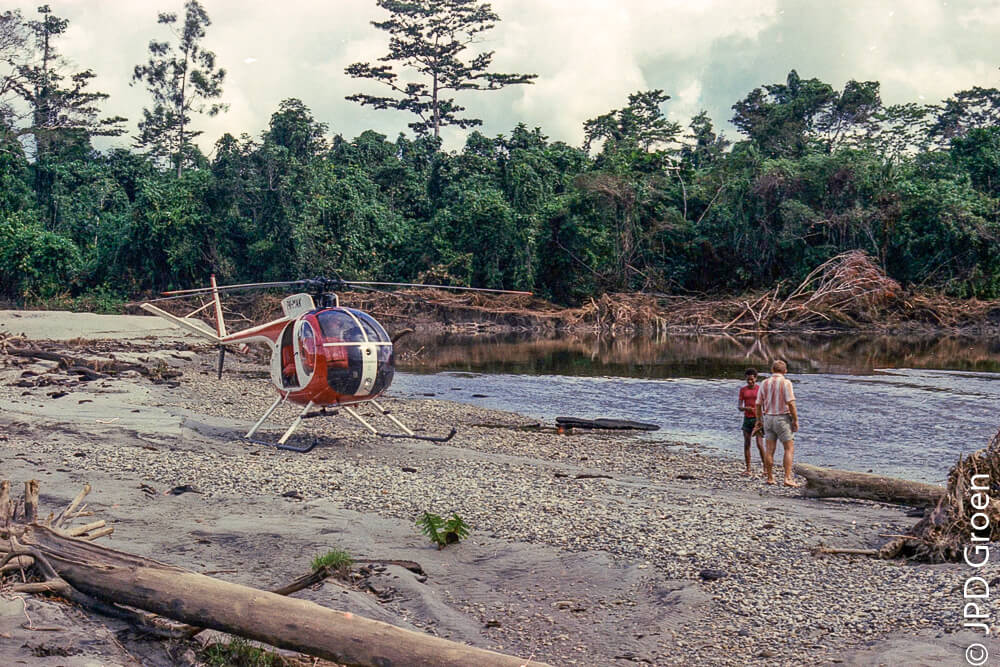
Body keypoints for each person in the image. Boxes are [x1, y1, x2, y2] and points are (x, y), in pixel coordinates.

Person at [753, 359, 801, 487]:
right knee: (789, 448)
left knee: (769, 449)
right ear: (785, 371)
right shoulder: (786, 383)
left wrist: (759, 420)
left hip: (768, 417)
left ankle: (770, 477)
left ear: (772, 370)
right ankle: (787, 478)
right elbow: (791, 403)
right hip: (782, 418)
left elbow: (758, 404)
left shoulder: (764, 383)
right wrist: (795, 420)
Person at [738, 368, 765, 476]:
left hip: (758, 419)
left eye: (752, 380)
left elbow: (765, 404)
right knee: (747, 443)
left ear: (756, 378)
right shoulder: (743, 390)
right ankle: (748, 468)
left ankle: (765, 468)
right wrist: (746, 409)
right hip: (747, 419)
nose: (750, 382)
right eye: (748, 380)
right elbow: (739, 407)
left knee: (759, 444)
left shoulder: (760, 390)